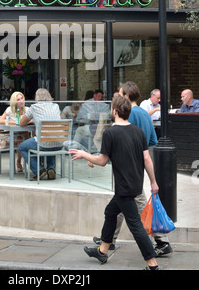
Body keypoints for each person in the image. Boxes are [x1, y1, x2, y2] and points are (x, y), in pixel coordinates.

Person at [70, 95, 160, 270]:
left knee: (135, 225)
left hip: (124, 188)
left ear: (115, 111)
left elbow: (102, 161)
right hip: (134, 184)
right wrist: (153, 182)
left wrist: (84, 154)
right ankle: (102, 251)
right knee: (110, 212)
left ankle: (152, 264)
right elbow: (147, 159)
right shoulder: (137, 131)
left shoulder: (110, 133)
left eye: (111, 108)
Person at [92, 81, 171, 256]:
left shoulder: (130, 114)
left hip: (126, 166)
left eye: (120, 94)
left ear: (126, 97)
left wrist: (98, 155)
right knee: (118, 205)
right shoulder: (144, 113)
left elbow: (119, 135)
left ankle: (161, 241)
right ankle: (108, 240)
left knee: (136, 205)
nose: (118, 97)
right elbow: (151, 141)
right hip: (137, 165)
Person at [18, 88, 61, 180]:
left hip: (43, 143)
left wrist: (33, 120)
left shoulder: (34, 107)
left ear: (37, 97)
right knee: (50, 139)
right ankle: (51, 167)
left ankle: (39, 170)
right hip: (59, 143)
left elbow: (22, 123)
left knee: (21, 147)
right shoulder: (56, 106)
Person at [0, 91, 29, 173]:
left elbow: (33, 120)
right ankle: (19, 161)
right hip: (10, 135)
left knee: (22, 137)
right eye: (18, 99)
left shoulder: (27, 110)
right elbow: (0, 121)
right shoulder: (9, 110)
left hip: (24, 134)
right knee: (20, 139)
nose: (21, 101)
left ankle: (23, 161)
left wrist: (25, 122)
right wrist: (14, 122)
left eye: (22, 98)